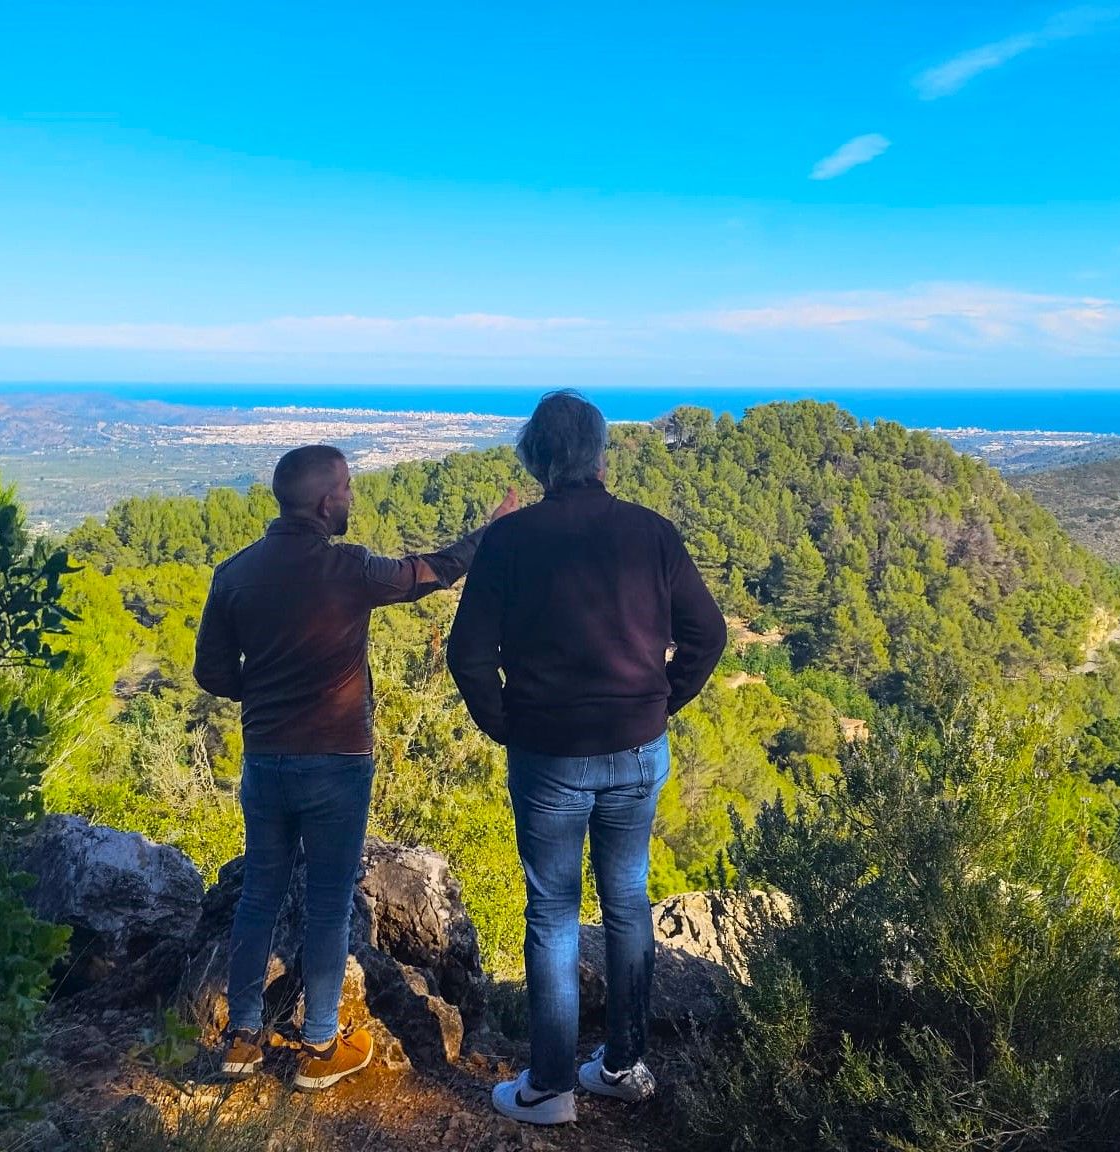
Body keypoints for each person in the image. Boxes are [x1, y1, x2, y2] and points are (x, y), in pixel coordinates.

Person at [194, 444, 516, 1091]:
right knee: (327, 903)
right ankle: (318, 1046)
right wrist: (491, 531)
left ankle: (240, 1041)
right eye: (344, 488)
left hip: (265, 758)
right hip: (336, 762)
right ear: (323, 501)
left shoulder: (234, 573)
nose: (350, 498)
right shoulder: (348, 568)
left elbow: (210, 673)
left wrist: (264, 693)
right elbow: (432, 571)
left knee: (259, 895)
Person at [447, 390, 726, 1125]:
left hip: (549, 752)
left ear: (536, 459)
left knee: (552, 912)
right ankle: (624, 1066)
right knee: (627, 902)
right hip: (637, 747)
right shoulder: (651, 533)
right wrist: (662, 703)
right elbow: (708, 636)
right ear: (602, 456)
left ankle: (548, 1088)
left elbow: (468, 655)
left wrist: (505, 724)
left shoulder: (510, 541)